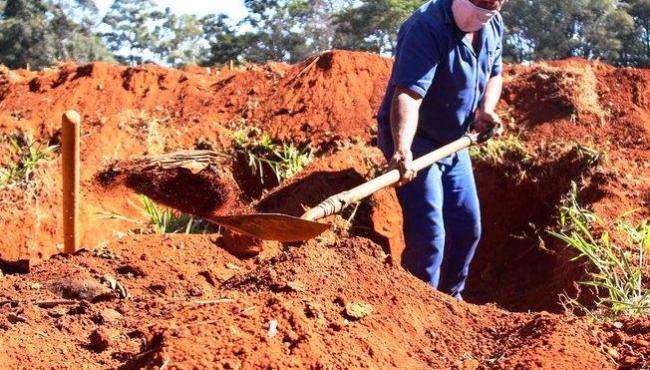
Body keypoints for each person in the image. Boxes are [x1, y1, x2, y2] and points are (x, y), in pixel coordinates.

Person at [377, 0, 509, 299]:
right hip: (416, 140)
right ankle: (416, 305)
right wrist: (402, 149)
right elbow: (408, 94)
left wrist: (485, 109)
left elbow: (494, 73)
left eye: (491, 6)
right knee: (429, 234)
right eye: (478, 3)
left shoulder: (493, 24)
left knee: (467, 226)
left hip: (453, 141)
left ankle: (451, 301)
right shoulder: (426, 26)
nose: (481, 13)